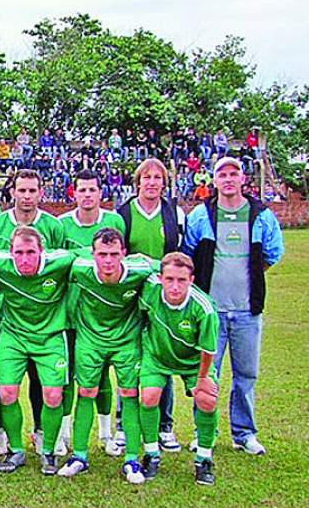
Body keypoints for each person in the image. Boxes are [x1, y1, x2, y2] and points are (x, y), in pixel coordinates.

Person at [183, 156, 284, 455]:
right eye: (222, 174)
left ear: (243, 179)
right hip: (211, 313)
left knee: (246, 374)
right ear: (213, 181)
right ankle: (205, 431)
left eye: (233, 173)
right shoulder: (202, 215)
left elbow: (272, 253)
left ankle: (244, 433)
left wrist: (248, 276)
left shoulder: (260, 215)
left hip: (246, 311)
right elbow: (190, 254)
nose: (228, 179)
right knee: (205, 375)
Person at [57, 228, 154, 484]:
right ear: (93, 254)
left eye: (113, 254)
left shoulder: (139, 270)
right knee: (86, 393)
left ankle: (132, 460)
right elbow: (56, 257)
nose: (108, 261)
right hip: (90, 340)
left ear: (124, 253)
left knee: (130, 394)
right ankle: (79, 456)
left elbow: (169, 267)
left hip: (126, 342)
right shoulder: (80, 268)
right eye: (102, 254)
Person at [0, 227, 73, 474]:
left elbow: (90, 255)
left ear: (42, 251)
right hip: (14, 336)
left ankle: (48, 452)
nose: (25, 258)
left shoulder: (61, 262)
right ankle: (16, 450)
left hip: (49, 337)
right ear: (11, 252)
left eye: (31, 252)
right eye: (19, 252)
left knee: (53, 395)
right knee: (6, 392)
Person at [0, 169, 64, 453]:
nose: (27, 196)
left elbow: (59, 269)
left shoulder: (53, 226)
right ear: (12, 192)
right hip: (6, 317)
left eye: (33, 190)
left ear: (41, 192)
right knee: (4, 378)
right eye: (22, 190)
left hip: (44, 319)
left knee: (41, 379)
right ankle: (2, 432)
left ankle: (42, 432)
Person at [117, 158, 185, 452]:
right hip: (132, 297)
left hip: (162, 296)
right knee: (129, 359)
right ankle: (123, 423)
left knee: (162, 356)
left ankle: (164, 425)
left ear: (164, 183)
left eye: (158, 177)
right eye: (147, 177)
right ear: (138, 182)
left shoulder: (174, 213)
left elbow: (179, 255)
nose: (153, 182)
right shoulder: (124, 214)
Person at [57, 169, 126, 457]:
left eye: (92, 190)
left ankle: (107, 434)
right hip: (72, 312)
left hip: (105, 314)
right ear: (74, 193)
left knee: (102, 377)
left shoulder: (114, 221)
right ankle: (63, 434)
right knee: (69, 375)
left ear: (101, 193)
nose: (87, 195)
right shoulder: (61, 225)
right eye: (81, 190)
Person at [137, 253, 220, 485]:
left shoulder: (203, 308)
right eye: (169, 279)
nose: (175, 286)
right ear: (160, 277)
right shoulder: (150, 290)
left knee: (207, 400)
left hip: (194, 361)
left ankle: (204, 458)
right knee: (149, 396)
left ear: (191, 280)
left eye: (181, 280)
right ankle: (151, 453)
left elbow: (208, 350)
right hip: (157, 355)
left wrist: (203, 378)